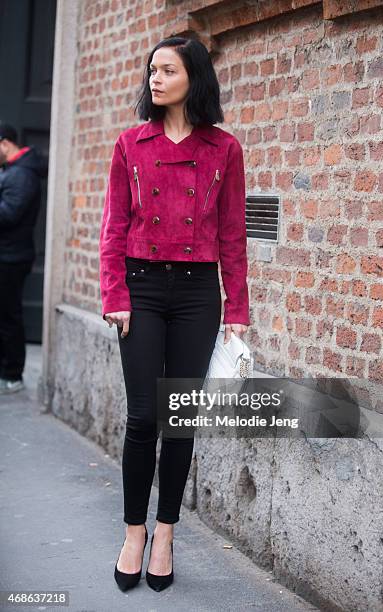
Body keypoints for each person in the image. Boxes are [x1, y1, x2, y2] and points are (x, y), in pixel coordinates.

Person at [99, 36, 251, 593]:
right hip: (138, 288)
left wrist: (237, 308)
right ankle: (133, 531)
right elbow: (114, 227)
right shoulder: (130, 144)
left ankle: (166, 531)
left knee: (179, 419)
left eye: (167, 70)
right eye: (151, 70)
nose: (154, 79)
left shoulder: (224, 149)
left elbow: (233, 235)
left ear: (195, 77)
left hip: (196, 294)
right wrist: (114, 293)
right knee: (144, 417)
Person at [0, 123, 47, 395]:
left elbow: (9, 214)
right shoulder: (13, 171)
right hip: (8, 254)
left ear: (5, 143)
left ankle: (12, 374)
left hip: (11, 257)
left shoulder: (22, 175)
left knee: (9, 316)